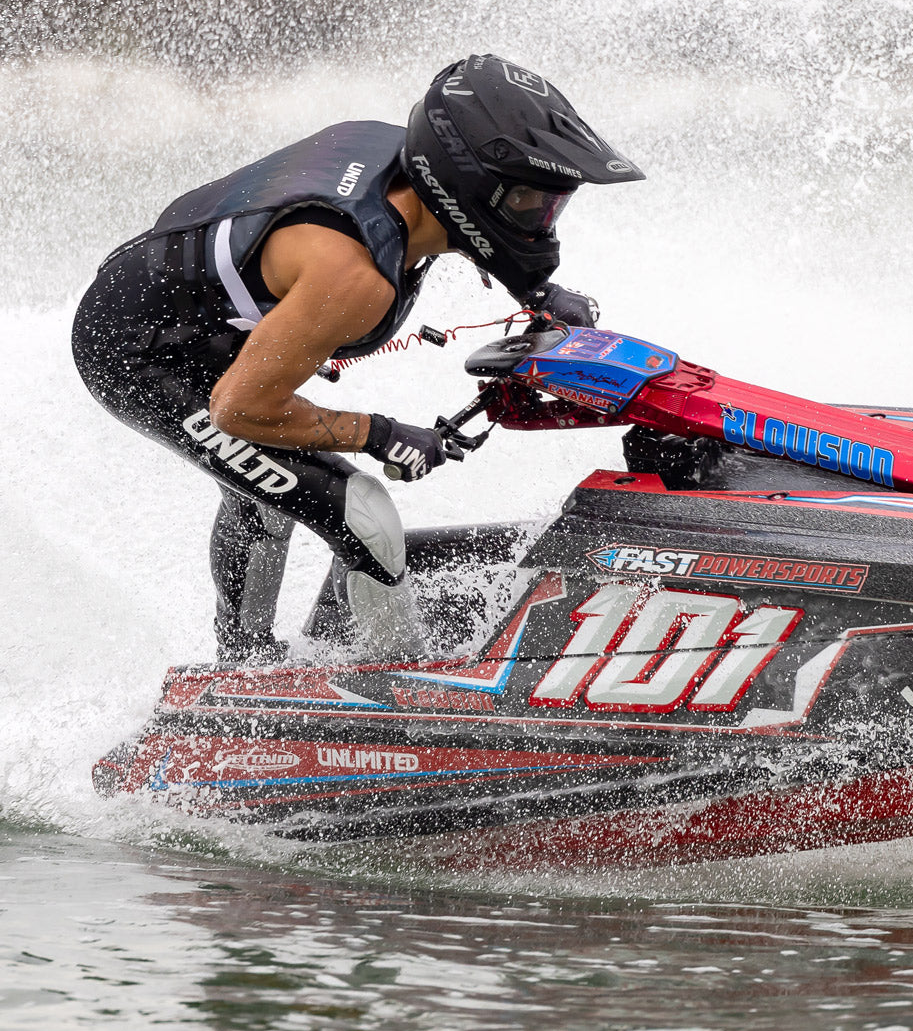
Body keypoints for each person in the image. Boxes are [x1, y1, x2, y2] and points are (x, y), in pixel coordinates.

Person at [71, 54, 644, 664]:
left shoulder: (407, 167)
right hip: (137, 355)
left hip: (192, 313)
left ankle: (242, 674)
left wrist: (536, 293)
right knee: (365, 516)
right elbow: (238, 410)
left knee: (268, 489)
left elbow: (469, 226)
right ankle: (403, 694)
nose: (544, 224)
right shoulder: (353, 277)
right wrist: (379, 434)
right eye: (532, 204)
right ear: (468, 186)